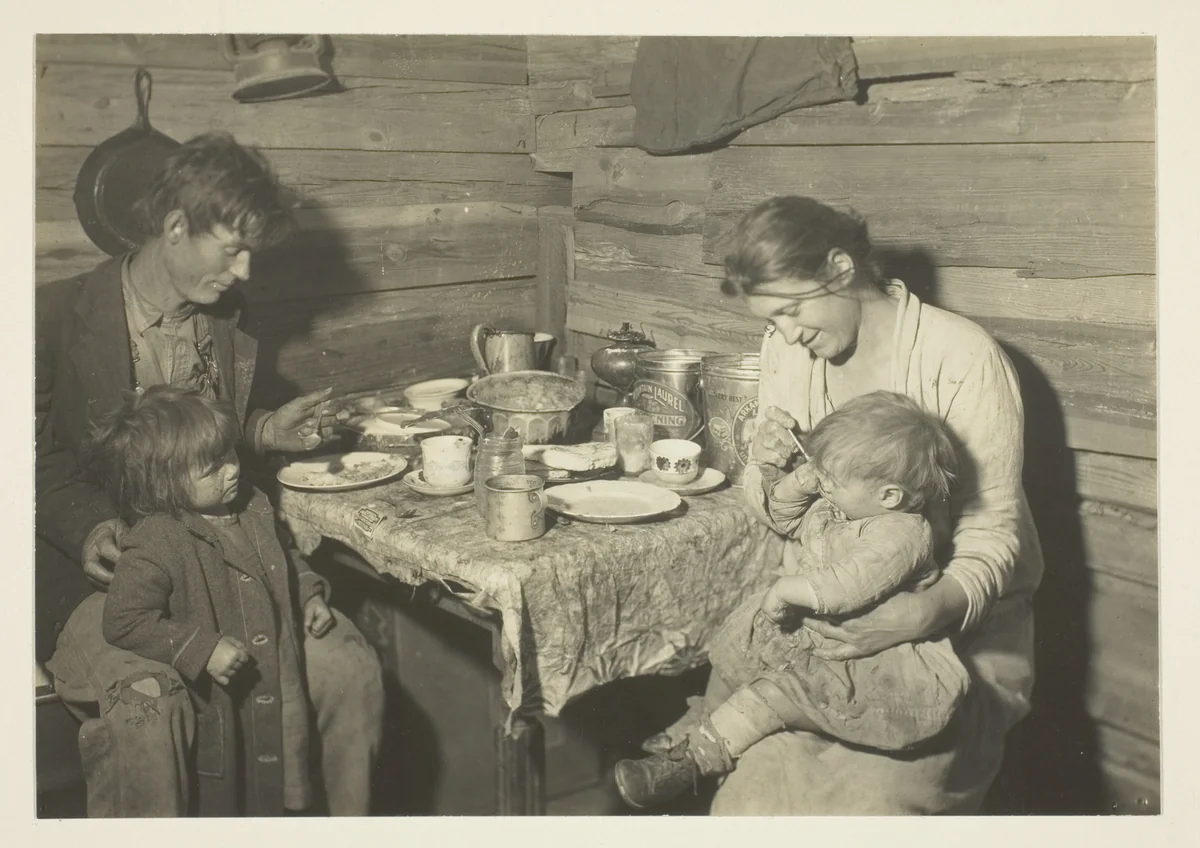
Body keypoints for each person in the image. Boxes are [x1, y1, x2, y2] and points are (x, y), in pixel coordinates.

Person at [36, 132, 384, 817]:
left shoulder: (225, 318)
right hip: (103, 577)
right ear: (174, 229)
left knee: (349, 670)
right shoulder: (47, 318)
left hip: (225, 563)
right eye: (233, 249)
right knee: (149, 709)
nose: (247, 271)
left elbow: (197, 445)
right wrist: (87, 528)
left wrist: (263, 432)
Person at [687, 195, 1041, 814]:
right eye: (773, 321)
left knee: (869, 808)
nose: (788, 335)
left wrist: (923, 614)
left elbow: (993, 537)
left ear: (841, 268)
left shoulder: (962, 357)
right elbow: (783, 517)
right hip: (829, 633)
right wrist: (765, 469)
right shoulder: (786, 349)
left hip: (955, 641)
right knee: (748, 804)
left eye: (793, 310)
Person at [613, 391, 971, 809]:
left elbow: (844, 588)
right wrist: (799, 482)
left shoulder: (902, 534)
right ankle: (703, 719)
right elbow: (785, 516)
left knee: (780, 691)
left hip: (868, 653)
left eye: (832, 478)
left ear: (889, 496)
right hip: (818, 630)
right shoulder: (845, 505)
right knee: (736, 645)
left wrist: (784, 588)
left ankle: (699, 758)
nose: (823, 483)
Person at [84, 386, 336, 815]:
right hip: (225, 699)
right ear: (164, 484)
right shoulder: (156, 539)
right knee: (235, 800)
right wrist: (200, 648)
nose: (232, 471)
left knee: (286, 783)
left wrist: (308, 593)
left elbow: (285, 556)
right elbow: (124, 620)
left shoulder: (253, 504)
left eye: (230, 455)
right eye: (212, 468)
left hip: (279, 675)